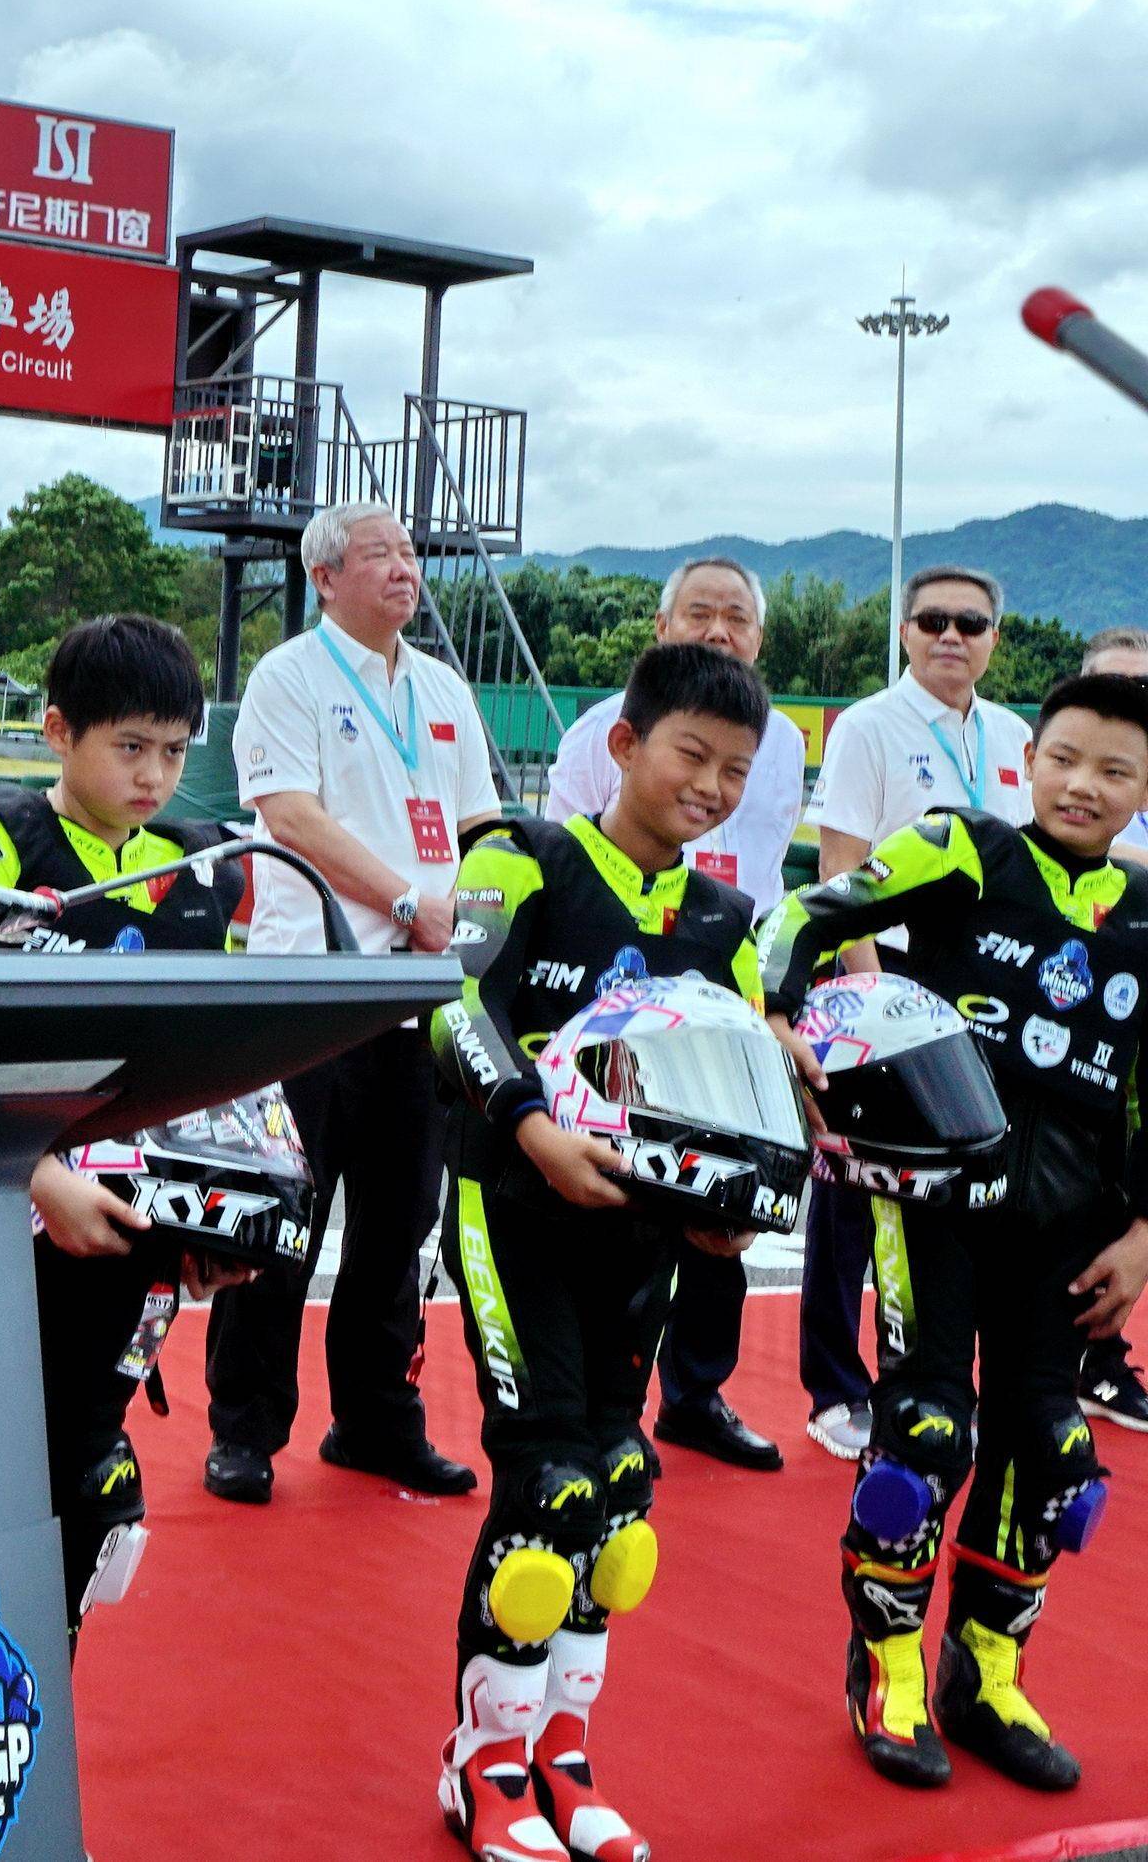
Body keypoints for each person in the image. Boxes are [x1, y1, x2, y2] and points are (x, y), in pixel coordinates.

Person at [760, 669, 1148, 1796]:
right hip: (926, 1203)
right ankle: (887, 1664)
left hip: (1072, 1230)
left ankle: (987, 1673)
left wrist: (1143, 1236)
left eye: (1114, 770)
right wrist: (777, 1019)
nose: (1082, 784)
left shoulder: (1144, 911)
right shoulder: (961, 848)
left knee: (1053, 1451)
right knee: (926, 1433)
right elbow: (802, 915)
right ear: (1030, 760)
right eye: (1064, 757)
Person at [425, 642, 775, 1862]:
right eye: (691, 754)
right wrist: (529, 1123)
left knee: (617, 1487)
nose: (710, 786)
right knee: (547, 1486)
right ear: (622, 744)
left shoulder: (726, 920)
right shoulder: (520, 857)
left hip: (636, 1239)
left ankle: (563, 1756)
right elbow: (447, 1002)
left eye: (735, 770)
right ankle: (482, 1768)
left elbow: (741, 1089)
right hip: (511, 1207)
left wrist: (729, 1213)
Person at [0, 614, 252, 1634]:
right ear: (57, 731)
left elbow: (215, 1074)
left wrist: (215, 1226)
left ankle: (44, 1681)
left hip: (129, 1231)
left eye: (173, 750)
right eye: (129, 746)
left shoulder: (205, 873)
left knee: (88, 1489)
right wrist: (36, 1177)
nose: (154, 775)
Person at [201, 501, 499, 1506]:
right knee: (284, 1214)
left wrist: (474, 918)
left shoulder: (443, 687)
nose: (405, 567)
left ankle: (374, 1419)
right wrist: (409, 899)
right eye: (381, 553)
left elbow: (479, 826)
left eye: (410, 552)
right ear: (325, 576)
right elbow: (291, 817)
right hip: (315, 991)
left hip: (421, 995)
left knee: (399, 1224)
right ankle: (245, 1428)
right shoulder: (288, 677)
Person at [543, 554, 804, 1473]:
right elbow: (573, 868)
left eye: (738, 617)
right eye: (700, 612)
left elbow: (769, 866)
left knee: (725, 1189)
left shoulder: (783, 744)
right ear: (662, 627)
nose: (719, 630)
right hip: (621, 1002)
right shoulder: (601, 731)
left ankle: (697, 1392)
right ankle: (597, 1406)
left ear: (760, 638)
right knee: (631, 1211)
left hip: (724, 965)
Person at [794, 567, 1033, 1462]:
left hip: (986, 987)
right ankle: (834, 1389)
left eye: (970, 622)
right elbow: (839, 869)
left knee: (964, 1188)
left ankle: (935, 1379)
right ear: (904, 632)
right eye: (933, 620)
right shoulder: (869, 727)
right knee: (853, 1191)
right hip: (887, 977)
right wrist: (868, 1000)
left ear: (994, 638)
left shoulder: (1011, 735)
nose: (951, 636)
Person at [1075, 627, 1148, 1435]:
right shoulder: (1085, 784)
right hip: (1086, 1029)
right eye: (1115, 683)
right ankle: (1081, 1359)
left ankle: (1102, 1357)